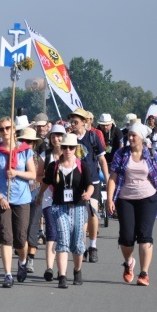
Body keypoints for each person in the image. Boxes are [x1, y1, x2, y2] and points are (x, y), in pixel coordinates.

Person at [106, 123, 157, 286]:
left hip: (149, 199)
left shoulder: (151, 155)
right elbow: (113, 178)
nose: (131, 138)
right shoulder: (121, 154)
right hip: (125, 199)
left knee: (145, 235)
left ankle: (144, 273)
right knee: (126, 237)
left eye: (134, 135)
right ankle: (129, 263)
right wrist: (110, 199)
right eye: (129, 135)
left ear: (141, 138)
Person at [36, 133, 94, 288]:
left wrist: (88, 193)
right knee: (62, 239)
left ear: (76, 148)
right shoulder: (54, 166)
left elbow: (90, 184)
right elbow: (46, 182)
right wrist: (39, 195)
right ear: (61, 148)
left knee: (77, 241)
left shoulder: (82, 165)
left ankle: (77, 270)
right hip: (59, 206)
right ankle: (62, 276)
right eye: (65, 147)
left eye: (71, 147)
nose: (67, 150)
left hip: (78, 206)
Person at [0, 117, 36, 288]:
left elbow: (33, 174)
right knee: (6, 237)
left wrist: (16, 173)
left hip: (22, 199)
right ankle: (7, 274)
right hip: (3, 200)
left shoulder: (25, 151)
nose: (5, 132)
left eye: (8, 128)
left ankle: (22, 261)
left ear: (14, 130)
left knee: (21, 239)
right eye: (1, 129)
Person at [68, 108, 108, 263]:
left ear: (84, 122)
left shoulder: (92, 137)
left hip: (92, 180)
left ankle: (93, 246)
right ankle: (81, 245)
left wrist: (108, 177)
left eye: (76, 121)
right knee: (78, 216)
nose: (73, 124)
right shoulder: (69, 138)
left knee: (92, 213)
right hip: (74, 182)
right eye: (72, 121)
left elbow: (102, 160)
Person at [36, 123, 67, 281]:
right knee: (51, 232)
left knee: (64, 234)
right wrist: (50, 178)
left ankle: (64, 269)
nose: (57, 139)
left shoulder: (70, 154)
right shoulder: (45, 156)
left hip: (67, 200)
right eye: (54, 136)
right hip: (49, 198)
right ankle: (49, 268)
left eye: (59, 136)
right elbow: (38, 176)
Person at [16, 127, 42, 274]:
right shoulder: (17, 157)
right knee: (21, 228)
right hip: (20, 194)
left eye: (30, 142)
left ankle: (30, 258)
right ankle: (22, 256)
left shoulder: (39, 157)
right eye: (25, 141)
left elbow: (42, 175)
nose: (27, 144)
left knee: (33, 226)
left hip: (36, 192)